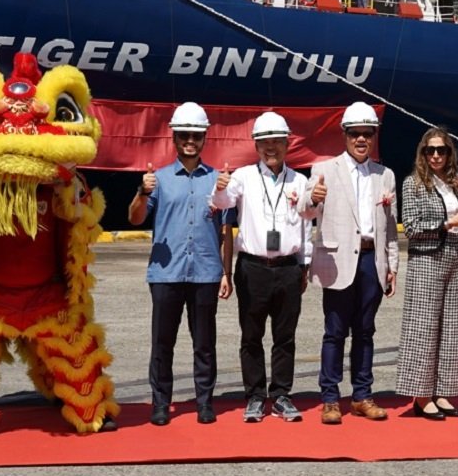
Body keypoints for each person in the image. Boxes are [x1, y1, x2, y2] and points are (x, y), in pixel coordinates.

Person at [128, 102, 233, 426]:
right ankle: (161, 403)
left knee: (204, 343)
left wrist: (227, 272)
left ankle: (204, 402)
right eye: (185, 134)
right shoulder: (158, 180)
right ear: (174, 137)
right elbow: (135, 218)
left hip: (205, 272)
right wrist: (141, 192)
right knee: (163, 342)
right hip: (166, 274)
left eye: (196, 135)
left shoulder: (218, 181)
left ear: (205, 138)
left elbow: (227, 231)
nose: (190, 140)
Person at [211, 111, 312, 423]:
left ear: (287, 143)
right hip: (252, 267)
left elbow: (307, 225)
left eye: (277, 141)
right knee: (251, 336)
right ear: (256, 145)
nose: (271, 147)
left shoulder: (300, 180)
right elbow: (223, 203)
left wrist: (304, 265)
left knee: (285, 336)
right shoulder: (242, 177)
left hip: (287, 267)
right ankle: (255, 396)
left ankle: (281, 394)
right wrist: (220, 186)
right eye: (265, 142)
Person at [305, 101, 399, 425]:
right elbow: (305, 211)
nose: (362, 139)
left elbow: (390, 228)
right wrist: (312, 198)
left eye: (367, 134)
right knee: (334, 332)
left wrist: (393, 267)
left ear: (374, 136)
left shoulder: (385, 175)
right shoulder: (324, 170)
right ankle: (330, 398)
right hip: (338, 260)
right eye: (356, 134)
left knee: (365, 331)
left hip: (372, 259)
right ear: (344, 135)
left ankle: (362, 395)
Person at [396, 127, 458, 420]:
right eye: (431, 150)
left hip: (454, 256)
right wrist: (445, 223)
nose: (437, 155)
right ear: (423, 153)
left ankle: (443, 391)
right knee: (423, 329)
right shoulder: (412, 185)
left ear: (449, 152)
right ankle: (421, 396)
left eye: (442, 150)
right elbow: (412, 227)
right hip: (427, 261)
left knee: (451, 328)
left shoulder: (456, 184)